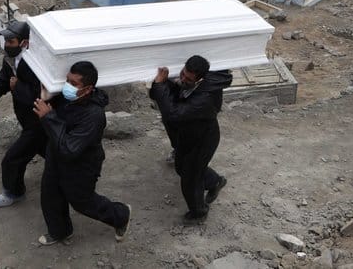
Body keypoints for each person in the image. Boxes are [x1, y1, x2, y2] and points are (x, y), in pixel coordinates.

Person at [33, 61, 131, 246]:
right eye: (67, 80)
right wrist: (46, 98)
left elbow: (70, 149)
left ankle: (120, 215)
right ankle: (60, 232)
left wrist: (49, 117)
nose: (67, 86)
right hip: (56, 155)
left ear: (87, 90)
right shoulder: (65, 98)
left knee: (81, 202)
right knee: (51, 194)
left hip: (81, 164)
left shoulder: (93, 115)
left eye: (74, 84)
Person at [150, 55, 232, 223]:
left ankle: (198, 213)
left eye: (187, 78)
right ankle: (215, 181)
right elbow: (168, 96)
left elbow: (174, 114)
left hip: (203, 139)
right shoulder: (194, 83)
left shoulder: (205, 98)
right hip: (190, 134)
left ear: (199, 79)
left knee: (190, 178)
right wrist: (160, 85)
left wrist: (160, 85)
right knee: (181, 166)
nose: (182, 79)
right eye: (183, 73)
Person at [0, 19, 45, 207]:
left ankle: (13, 192)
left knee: (12, 159)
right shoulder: (11, 58)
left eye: (11, 42)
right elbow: (3, 77)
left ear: (24, 43)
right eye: (6, 42)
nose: (6, 46)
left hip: (37, 122)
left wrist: (17, 87)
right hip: (27, 120)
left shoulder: (36, 64)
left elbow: (39, 96)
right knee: (49, 150)